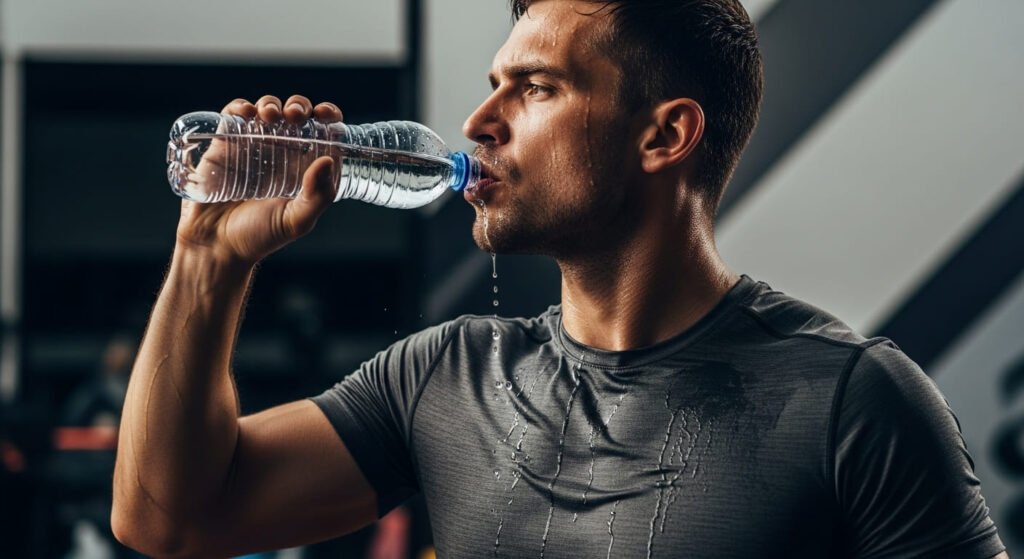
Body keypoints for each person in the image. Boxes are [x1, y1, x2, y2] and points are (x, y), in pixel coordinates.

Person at [111, 0, 1008, 557]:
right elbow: (172, 519)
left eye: (535, 88)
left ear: (665, 135)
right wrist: (210, 258)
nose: (478, 121)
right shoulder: (442, 380)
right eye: (494, 83)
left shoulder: (851, 401)